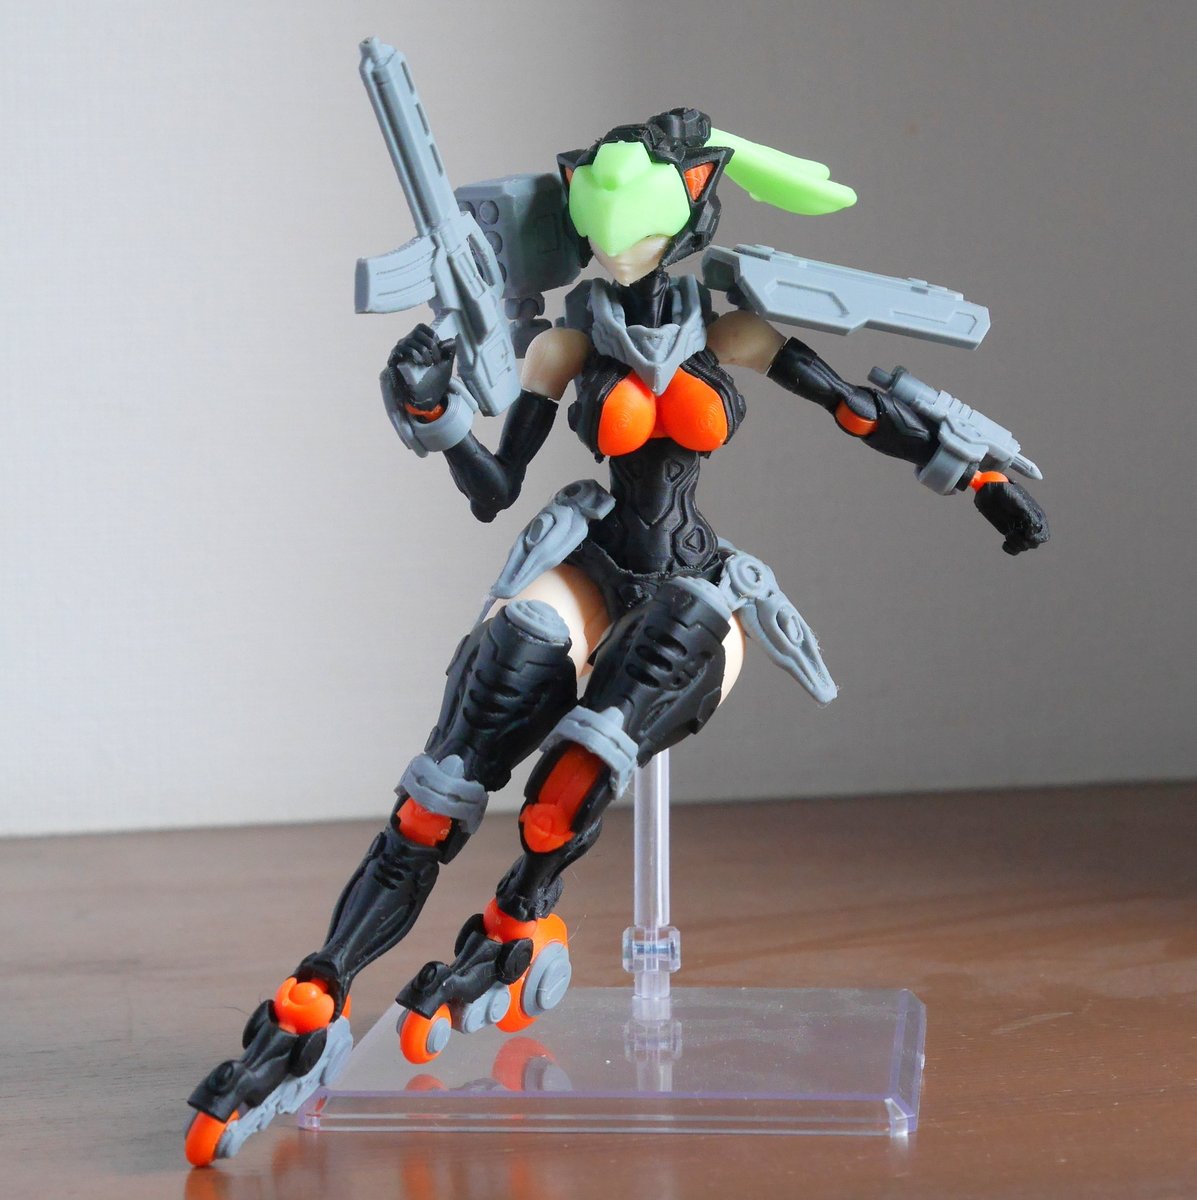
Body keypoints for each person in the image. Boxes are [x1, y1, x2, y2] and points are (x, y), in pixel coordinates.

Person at [185, 106, 1048, 1167]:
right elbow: (494, 486)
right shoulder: (565, 343)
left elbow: (858, 410)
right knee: (449, 769)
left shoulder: (733, 331)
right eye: (598, 227)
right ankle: (315, 997)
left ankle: (519, 923)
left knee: (572, 775)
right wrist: (433, 412)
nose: (614, 248)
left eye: (634, 224)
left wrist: (977, 475)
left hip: (693, 586)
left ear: (688, 211)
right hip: (596, 562)